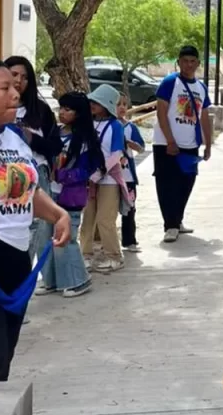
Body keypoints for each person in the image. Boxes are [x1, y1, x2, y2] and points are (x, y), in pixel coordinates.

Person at [0, 58, 70, 381]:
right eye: (4, 88)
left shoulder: (12, 138)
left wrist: (58, 213)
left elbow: (25, 190)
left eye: (16, 87)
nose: (15, 94)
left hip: (17, 260)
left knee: (3, 356)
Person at [40, 91, 103, 298]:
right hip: (50, 194)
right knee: (44, 238)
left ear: (79, 113)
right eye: (61, 108)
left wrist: (62, 174)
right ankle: (51, 281)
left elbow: (88, 169)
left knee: (64, 239)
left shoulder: (84, 140)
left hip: (70, 196)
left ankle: (78, 281)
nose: (62, 113)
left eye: (68, 109)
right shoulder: (55, 133)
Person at [4, 56, 62, 277]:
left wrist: (31, 139)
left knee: (37, 226)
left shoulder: (40, 111)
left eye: (25, 77)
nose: (19, 80)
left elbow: (55, 146)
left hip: (37, 172)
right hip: (4, 176)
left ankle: (28, 277)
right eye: (14, 74)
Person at [152, 45, 213, 243]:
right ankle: (169, 225)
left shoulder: (201, 88)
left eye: (192, 61)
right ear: (179, 62)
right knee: (167, 184)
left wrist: (208, 144)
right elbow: (161, 112)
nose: (189, 65)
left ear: (198, 63)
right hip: (165, 143)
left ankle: (177, 220)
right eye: (185, 61)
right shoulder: (170, 82)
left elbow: (204, 117)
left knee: (186, 183)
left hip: (190, 144)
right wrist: (169, 140)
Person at [80, 85, 129, 274]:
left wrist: (99, 173)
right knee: (88, 219)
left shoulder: (116, 125)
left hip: (108, 179)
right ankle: (85, 254)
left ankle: (114, 256)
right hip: (88, 179)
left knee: (105, 219)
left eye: (97, 102)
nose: (92, 104)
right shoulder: (87, 124)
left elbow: (116, 153)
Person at [117, 93, 145, 254]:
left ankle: (129, 240)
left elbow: (141, 148)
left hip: (127, 175)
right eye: (118, 104)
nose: (121, 107)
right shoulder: (106, 126)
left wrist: (131, 144)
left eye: (124, 105)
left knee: (130, 208)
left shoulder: (130, 127)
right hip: (111, 176)